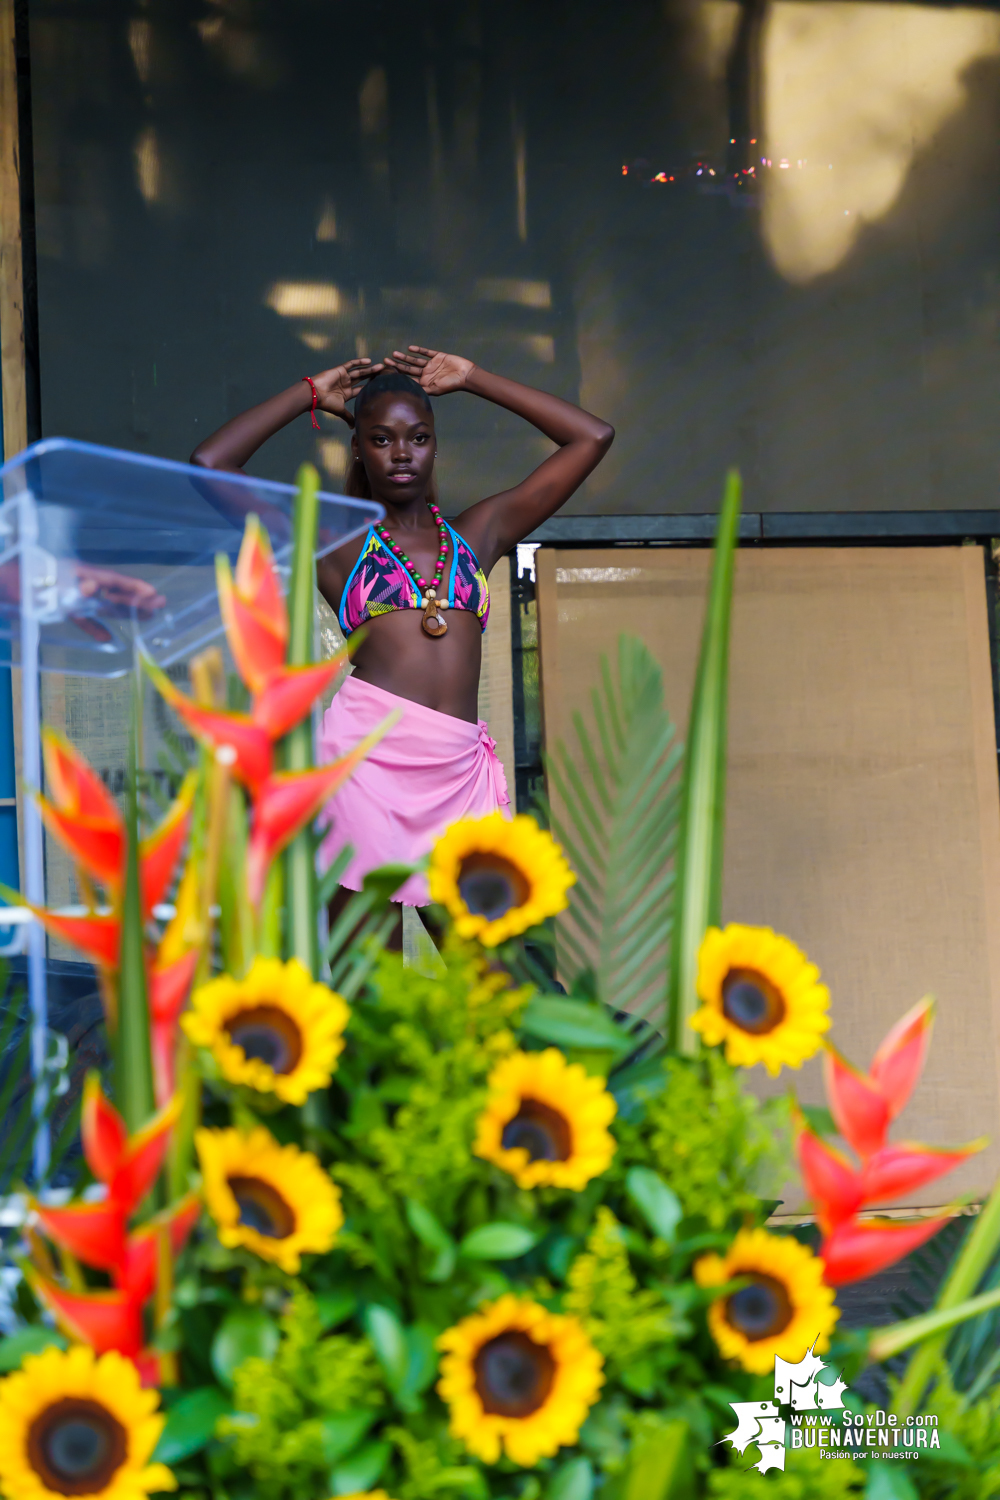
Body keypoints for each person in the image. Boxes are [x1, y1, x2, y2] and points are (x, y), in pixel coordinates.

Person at [190, 344, 613, 914]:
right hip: (365, 772)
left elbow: (592, 438)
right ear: (359, 450)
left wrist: (475, 378)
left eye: (418, 437)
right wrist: (310, 393)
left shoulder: (477, 534)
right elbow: (210, 465)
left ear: (436, 444)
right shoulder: (335, 543)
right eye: (381, 439)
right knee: (372, 982)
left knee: (499, 982)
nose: (402, 453)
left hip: (459, 777)